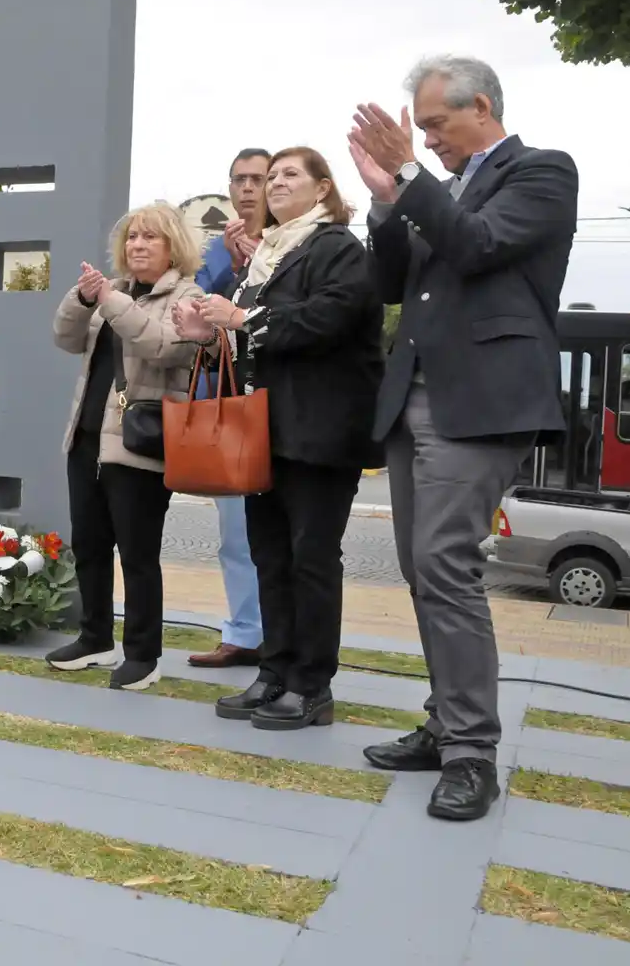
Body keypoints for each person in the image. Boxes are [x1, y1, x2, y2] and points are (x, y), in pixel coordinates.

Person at [349, 55, 577, 820]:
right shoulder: (433, 192)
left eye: (438, 124)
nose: (430, 138)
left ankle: (472, 753)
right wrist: (386, 202)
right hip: (411, 398)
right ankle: (447, 721)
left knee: (444, 563)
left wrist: (409, 175)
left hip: (479, 404)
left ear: (481, 106)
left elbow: (477, 246)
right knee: (424, 569)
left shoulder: (542, 172)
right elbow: (390, 282)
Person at [176, 148, 384, 729]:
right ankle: (274, 673)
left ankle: (312, 687)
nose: (275, 183)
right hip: (266, 431)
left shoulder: (337, 247)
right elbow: (255, 346)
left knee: (312, 559)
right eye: (271, 177)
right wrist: (207, 334)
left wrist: (241, 320)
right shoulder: (264, 258)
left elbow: (329, 321)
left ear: (322, 189)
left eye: (289, 174)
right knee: (269, 555)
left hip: (321, 432)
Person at [45, 202, 211, 691]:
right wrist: (82, 296)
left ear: (173, 245)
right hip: (87, 436)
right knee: (89, 546)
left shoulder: (189, 294)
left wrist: (110, 304)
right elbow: (64, 338)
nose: (137, 245)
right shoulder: (110, 290)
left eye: (150, 238)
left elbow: (162, 347)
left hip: (141, 443)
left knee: (138, 554)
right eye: (133, 237)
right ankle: (94, 638)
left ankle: (144, 654)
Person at [188, 147, 271, 669]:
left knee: (292, 538)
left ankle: (286, 639)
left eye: (257, 178)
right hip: (233, 412)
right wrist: (226, 263)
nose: (247, 188)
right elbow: (192, 307)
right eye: (238, 179)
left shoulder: (298, 245)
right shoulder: (216, 253)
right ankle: (244, 632)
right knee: (237, 531)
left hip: (288, 403)